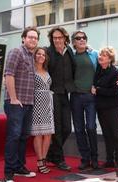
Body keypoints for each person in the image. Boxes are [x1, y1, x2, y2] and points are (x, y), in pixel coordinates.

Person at [3, 26, 40, 182]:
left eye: (35, 38)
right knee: (14, 136)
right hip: (15, 103)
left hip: (28, 103)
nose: (33, 39)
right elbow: (8, 74)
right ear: (23, 38)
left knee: (24, 136)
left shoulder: (32, 56)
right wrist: (13, 98)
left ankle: (19, 167)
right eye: (30, 37)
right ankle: (8, 173)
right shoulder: (16, 52)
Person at [46, 26, 76, 171]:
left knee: (67, 128)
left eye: (60, 37)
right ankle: (59, 159)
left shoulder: (69, 50)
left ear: (65, 38)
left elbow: (75, 67)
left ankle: (51, 153)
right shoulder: (48, 52)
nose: (57, 40)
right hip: (52, 94)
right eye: (55, 38)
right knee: (57, 128)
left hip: (65, 93)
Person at [91, 47, 118, 173]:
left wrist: (98, 90)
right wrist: (97, 88)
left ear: (109, 59)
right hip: (101, 106)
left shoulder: (114, 72)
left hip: (114, 106)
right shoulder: (99, 69)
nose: (101, 57)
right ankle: (109, 160)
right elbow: (95, 83)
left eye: (104, 55)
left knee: (115, 133)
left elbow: (113, 91)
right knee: (106, 134)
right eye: (100, 55)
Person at [70, 30, 99, 170]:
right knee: (79, 129)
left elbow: (103, 70)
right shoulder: (71, 56)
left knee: (91, 127)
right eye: (78, 38)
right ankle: (85, 159)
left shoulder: (94, 54)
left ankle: (95, 159)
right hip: (75, 97)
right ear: (73, 42)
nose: (82, 40)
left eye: (84, 37)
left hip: (91, 97)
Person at [30, 47, 54, 174]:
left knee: (48, 133)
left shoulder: (46, 70)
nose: (41, 56)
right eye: (38, 54)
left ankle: (43, 159)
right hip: (37, 103)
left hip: (48, 104)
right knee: (39, 133)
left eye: (43, 55)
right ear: (34, 56)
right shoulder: (31, 70)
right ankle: (39, 161)